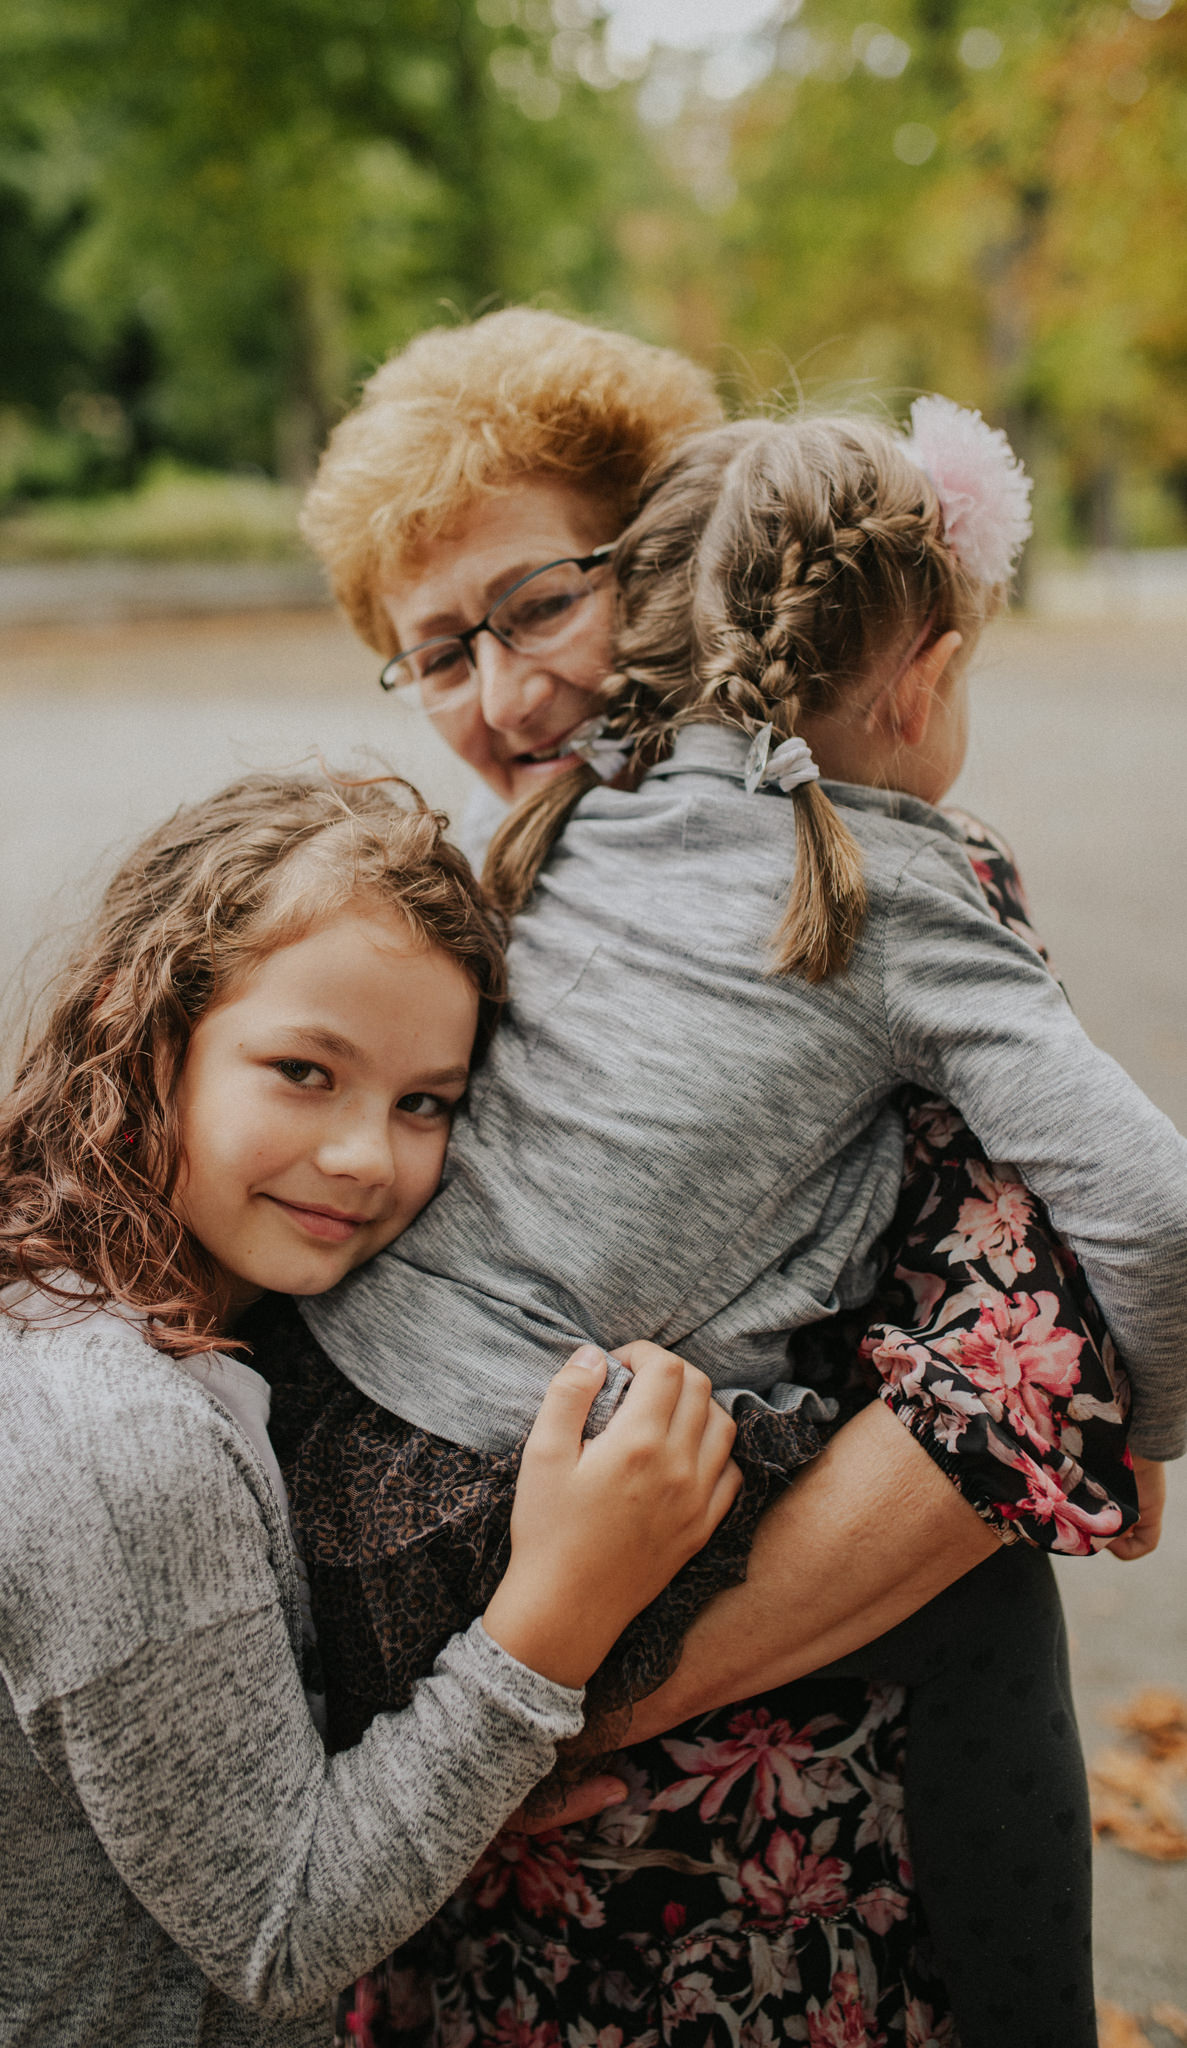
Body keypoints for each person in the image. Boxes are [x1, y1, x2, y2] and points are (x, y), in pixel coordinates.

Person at [294, 311, 1176, 2045]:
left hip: (805, 1843)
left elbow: (1024, 1365)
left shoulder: (861, 888)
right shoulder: (491, 881)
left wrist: (540, 1696)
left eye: (539, 605)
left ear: (685, 557)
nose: (508, 689)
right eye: (437, 653)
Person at [0, 772, 742, 2047]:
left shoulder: (131, 1308)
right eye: (306, 1070)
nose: (370, 1151)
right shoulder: (118, 1437)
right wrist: (556, 1612)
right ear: (146, 1035)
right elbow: (284, 1930)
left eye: (426, 1100)